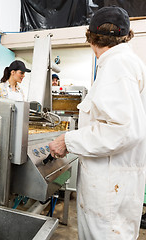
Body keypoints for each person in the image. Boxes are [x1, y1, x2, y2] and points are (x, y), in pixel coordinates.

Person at [49, 6, 146, 239]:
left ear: (91, 37)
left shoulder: (117, 65)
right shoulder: (128, 62)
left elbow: (123, 130)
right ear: (126, 35)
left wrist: (67, 140)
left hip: (108, 191)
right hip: (116, 184)